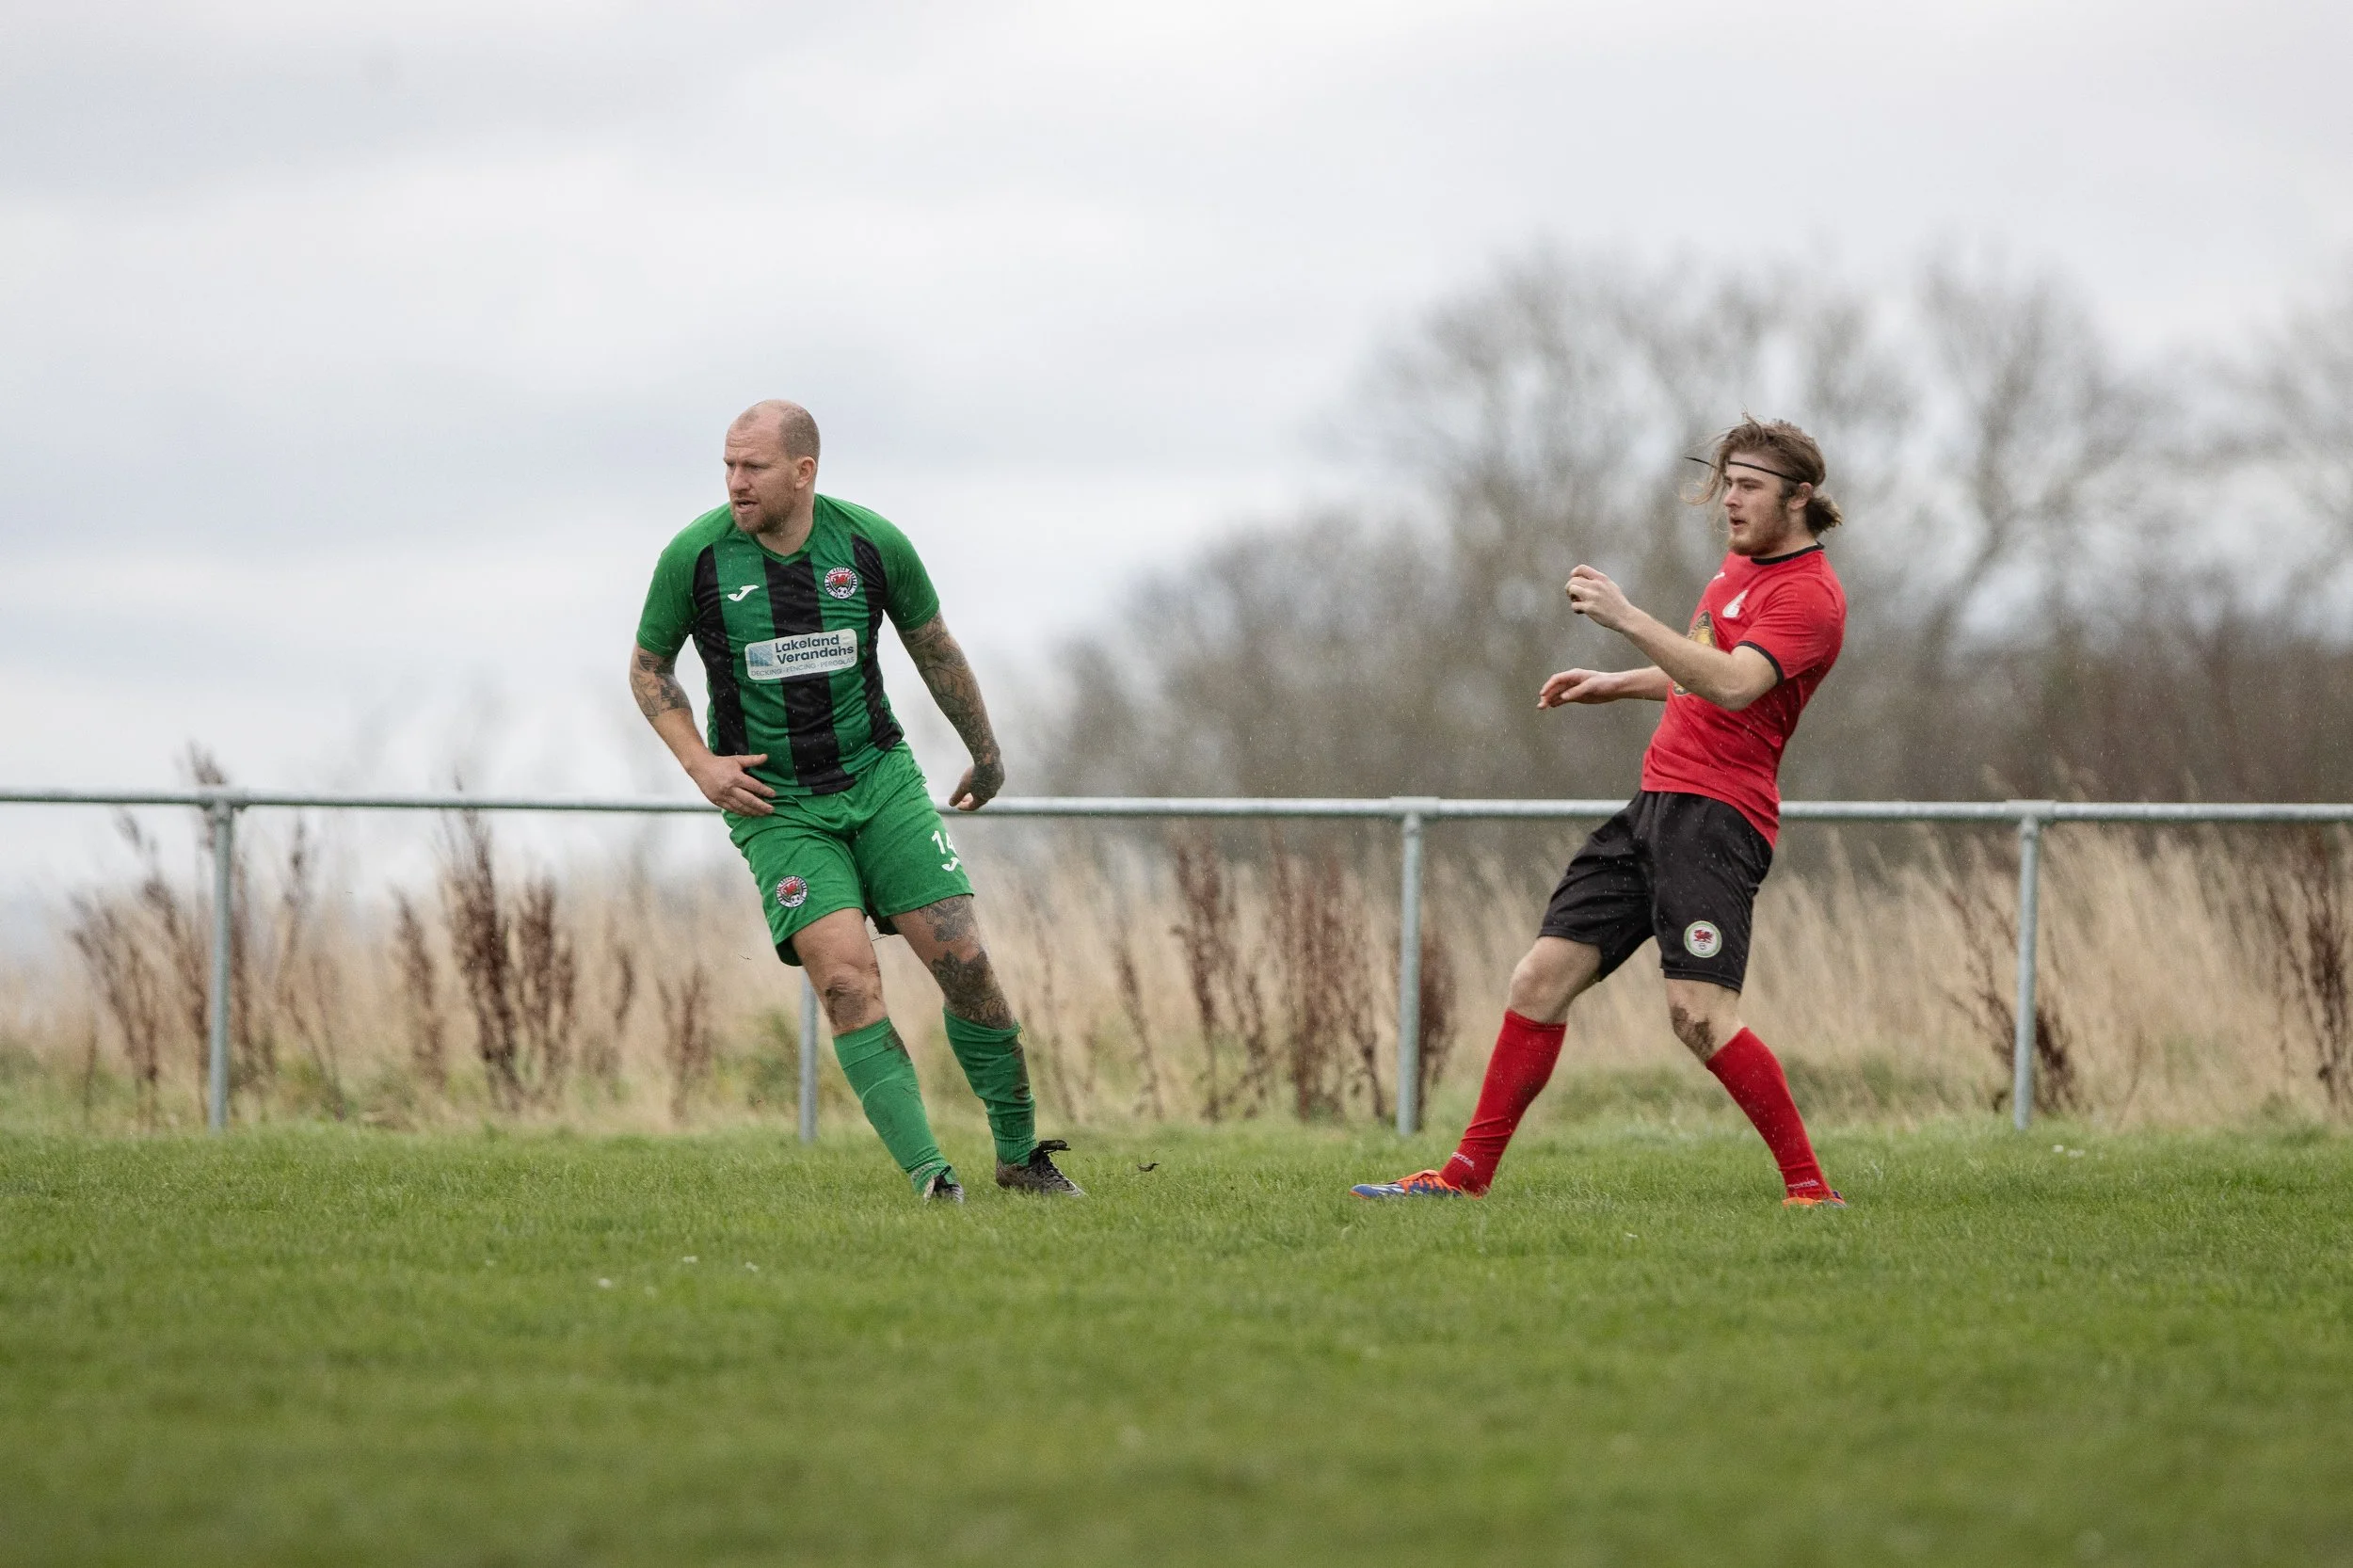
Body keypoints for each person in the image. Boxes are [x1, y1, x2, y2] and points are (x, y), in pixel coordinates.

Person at [1353, 417, 1849, 1207]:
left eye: (1748, 486)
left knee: (1698, 1018)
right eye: (1726, 483)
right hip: (1652, 809)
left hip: (1718, 824)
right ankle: (1462, 1179)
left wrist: (1625, 617)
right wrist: (1616, 682)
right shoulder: (1735, 573)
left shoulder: (1810, 596)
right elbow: (1701, 665)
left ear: (1799, 497)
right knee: (1537, 981)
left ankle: (1809, 1189)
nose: (1730, 500)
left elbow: (1735, 684)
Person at [630, 400, 1079, 1202]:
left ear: (804, 472)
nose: (735, 482)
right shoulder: (693, 558)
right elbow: (648, 669)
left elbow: (934, 647)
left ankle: (1019, 1158)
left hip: (881, 782)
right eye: (728, 466)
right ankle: (931, 1179)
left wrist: (986, 752)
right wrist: (700, 765)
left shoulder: (870, 542)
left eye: (753, 467)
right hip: (780, 809)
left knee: (967, 967)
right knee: (845, 982)